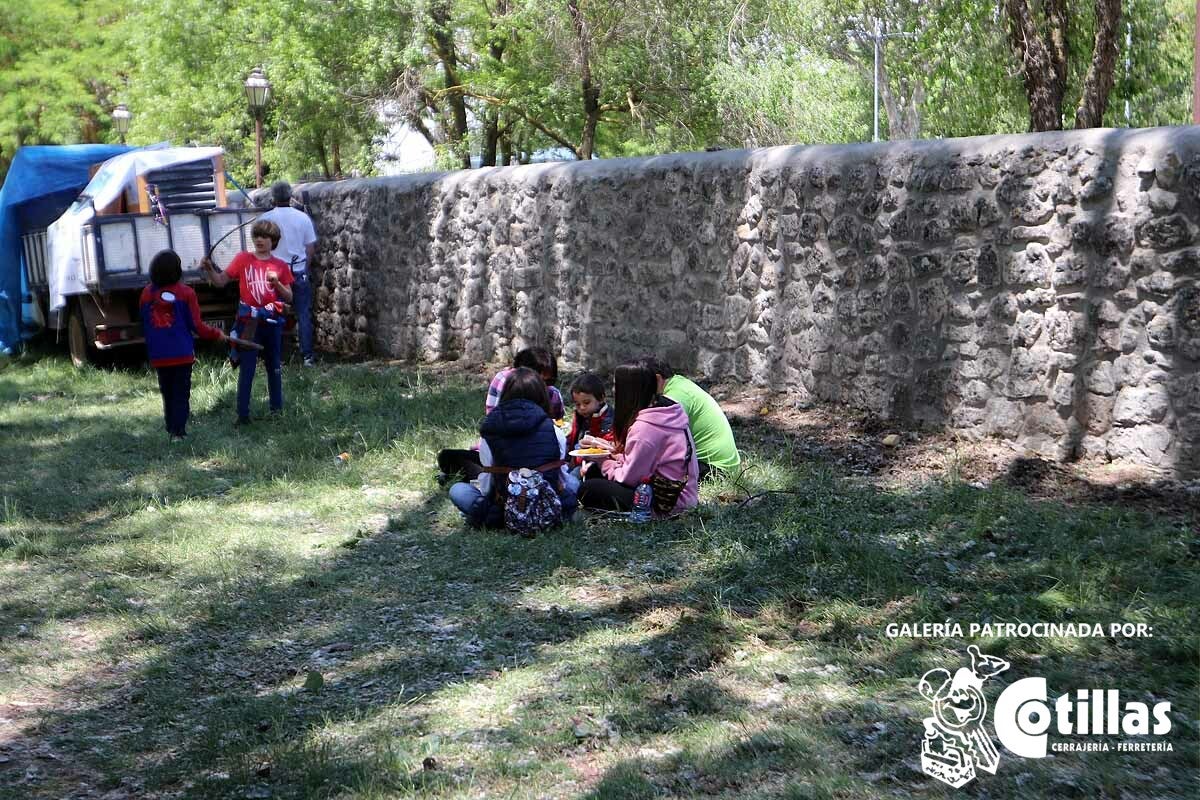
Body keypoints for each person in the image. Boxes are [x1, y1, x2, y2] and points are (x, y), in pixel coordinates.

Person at [447, 367, 577, 528]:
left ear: (506, 394)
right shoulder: (554, 431)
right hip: (547, 505)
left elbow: (488, 486)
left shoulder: (491, 429)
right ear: (542, 396)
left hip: (504, 511)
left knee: (458, 490)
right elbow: (560, 479)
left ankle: (493, 518)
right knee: (574, 482)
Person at [200, 219, 294, 425]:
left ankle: (276, 412)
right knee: (247, 368)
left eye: (265, 237)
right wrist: (208, 269)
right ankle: (242, 415)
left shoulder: (280, 265)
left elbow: (289, 298)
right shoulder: (243, 259)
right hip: (248, 323)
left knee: (274, 367)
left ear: (274, 241)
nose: (259, 240)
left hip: (271, 322)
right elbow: (220, 281)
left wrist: (276, 283)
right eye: (257, 236)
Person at [577, 362, 698, 515]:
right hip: (685, 494)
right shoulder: (669, 411)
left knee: (588, 489)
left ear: (628, 390)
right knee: (594, 472)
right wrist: (610, 453)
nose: (614, 390)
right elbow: (646, 462)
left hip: (666, 502)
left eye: (617, 385)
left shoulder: (645, 428)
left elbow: (628, 478)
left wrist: (602, 461)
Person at [437, 346, 565, 481]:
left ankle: (479, 478)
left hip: (536, 458)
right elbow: (494, 428)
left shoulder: (553, 395)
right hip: (503, 454)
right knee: (448, 456)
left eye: (549, 381)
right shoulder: (505, 382)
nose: (543, 387)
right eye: (538, 381)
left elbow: (556, 432)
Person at [140, 249, 227, 440]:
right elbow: (196, 325)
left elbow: (145, 323)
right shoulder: (186, 293)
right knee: (181, 394)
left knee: (168, 393)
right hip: (182, 354)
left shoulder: (146, 294)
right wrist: (216, 334)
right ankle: (179, 432)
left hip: (159, 355)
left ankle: (171, 428)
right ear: (177, 271)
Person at [640, 355, 740, 479]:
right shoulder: (678, 383)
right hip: (720, 465)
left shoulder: (675, 396)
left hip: (714, 469)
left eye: (641, 384)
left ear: (658, 379)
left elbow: (659, 438)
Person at [259, 181, 319, 366]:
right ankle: (307, 356)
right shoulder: (303, 218)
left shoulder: (265, 220)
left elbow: (260, 250)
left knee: (273, 314)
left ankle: (276, 355)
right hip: (298, 271)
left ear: (273, 197)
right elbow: (310, 249)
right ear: (290, 196)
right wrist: (304, 269)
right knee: (303, 314)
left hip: (275, 275)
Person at [565, 372, 615, 470]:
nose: (582, 408)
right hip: (579, 460)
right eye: (577, 404)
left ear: (601, 398)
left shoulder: (608, 419)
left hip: (598, 464)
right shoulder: (580, 416)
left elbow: (606, 447)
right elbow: (574, 439)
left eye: (586, 403)